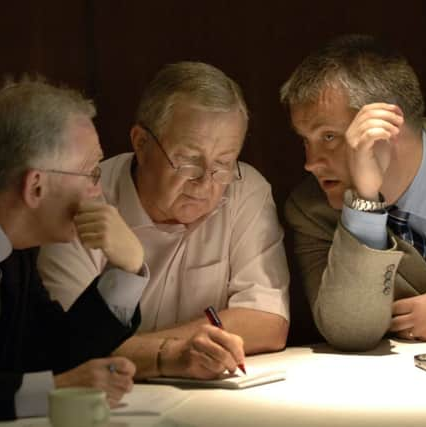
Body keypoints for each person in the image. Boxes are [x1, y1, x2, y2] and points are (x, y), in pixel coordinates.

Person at [0, 78, 148, 426]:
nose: (98, 191)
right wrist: (53, 388)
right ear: (35, 186)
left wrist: (126, 269)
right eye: (91, 173)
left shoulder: (14, 246)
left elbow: (51, 352)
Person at [38, 61, 290, 378]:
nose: (205, 181)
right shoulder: (86, 194)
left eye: (223, 163)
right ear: (141, 143)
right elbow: (68, 345)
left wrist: (131, 349)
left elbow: (267, 322)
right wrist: (167, 356)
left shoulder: (244, 189)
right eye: (187, 161)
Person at [281, 34, 426, 352]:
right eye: (305, 140)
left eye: (329, 136)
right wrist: (364, 203)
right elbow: (349, 331)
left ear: (386, 127)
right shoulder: (310, 208)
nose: (310, 163)